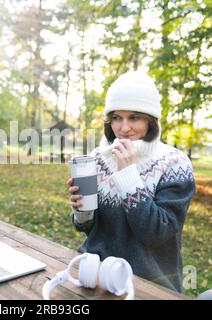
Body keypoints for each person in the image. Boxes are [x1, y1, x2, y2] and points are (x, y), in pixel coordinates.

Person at [67, 70, 196, 293]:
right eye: (117, 117)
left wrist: (127, 175)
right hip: (95, 274)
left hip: (150, 284)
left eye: (134, 117)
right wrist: (81, 211)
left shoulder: (175, 164)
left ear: (151, 120)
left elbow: (156, 235)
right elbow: (86, 228)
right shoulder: (99, 157)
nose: (124, 128)